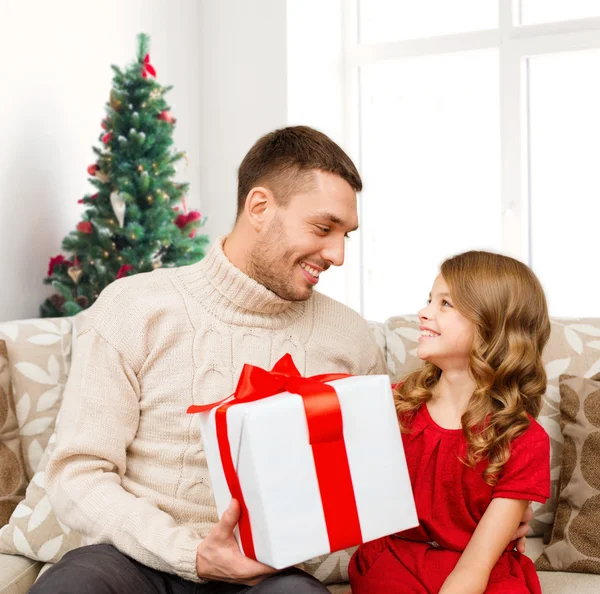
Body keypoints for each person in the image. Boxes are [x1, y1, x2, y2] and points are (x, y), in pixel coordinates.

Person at [31, 127, 532, 594]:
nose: (337, 254)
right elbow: (78, 473)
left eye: (346, 235)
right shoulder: (133, 308)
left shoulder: (349, 337)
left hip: (276, 575)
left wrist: (493, 520)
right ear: (259, 206)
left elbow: (379, 485)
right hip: (136, 561)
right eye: (323, 228)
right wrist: (191, 554)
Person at [348, 251, 551, 594]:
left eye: (445, 304)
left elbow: (477, 563)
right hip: (396, 561)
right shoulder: (391, 406)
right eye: (430, 300)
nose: (423, 313)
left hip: (480, 567)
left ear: (493, 326)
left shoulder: (525, 439)